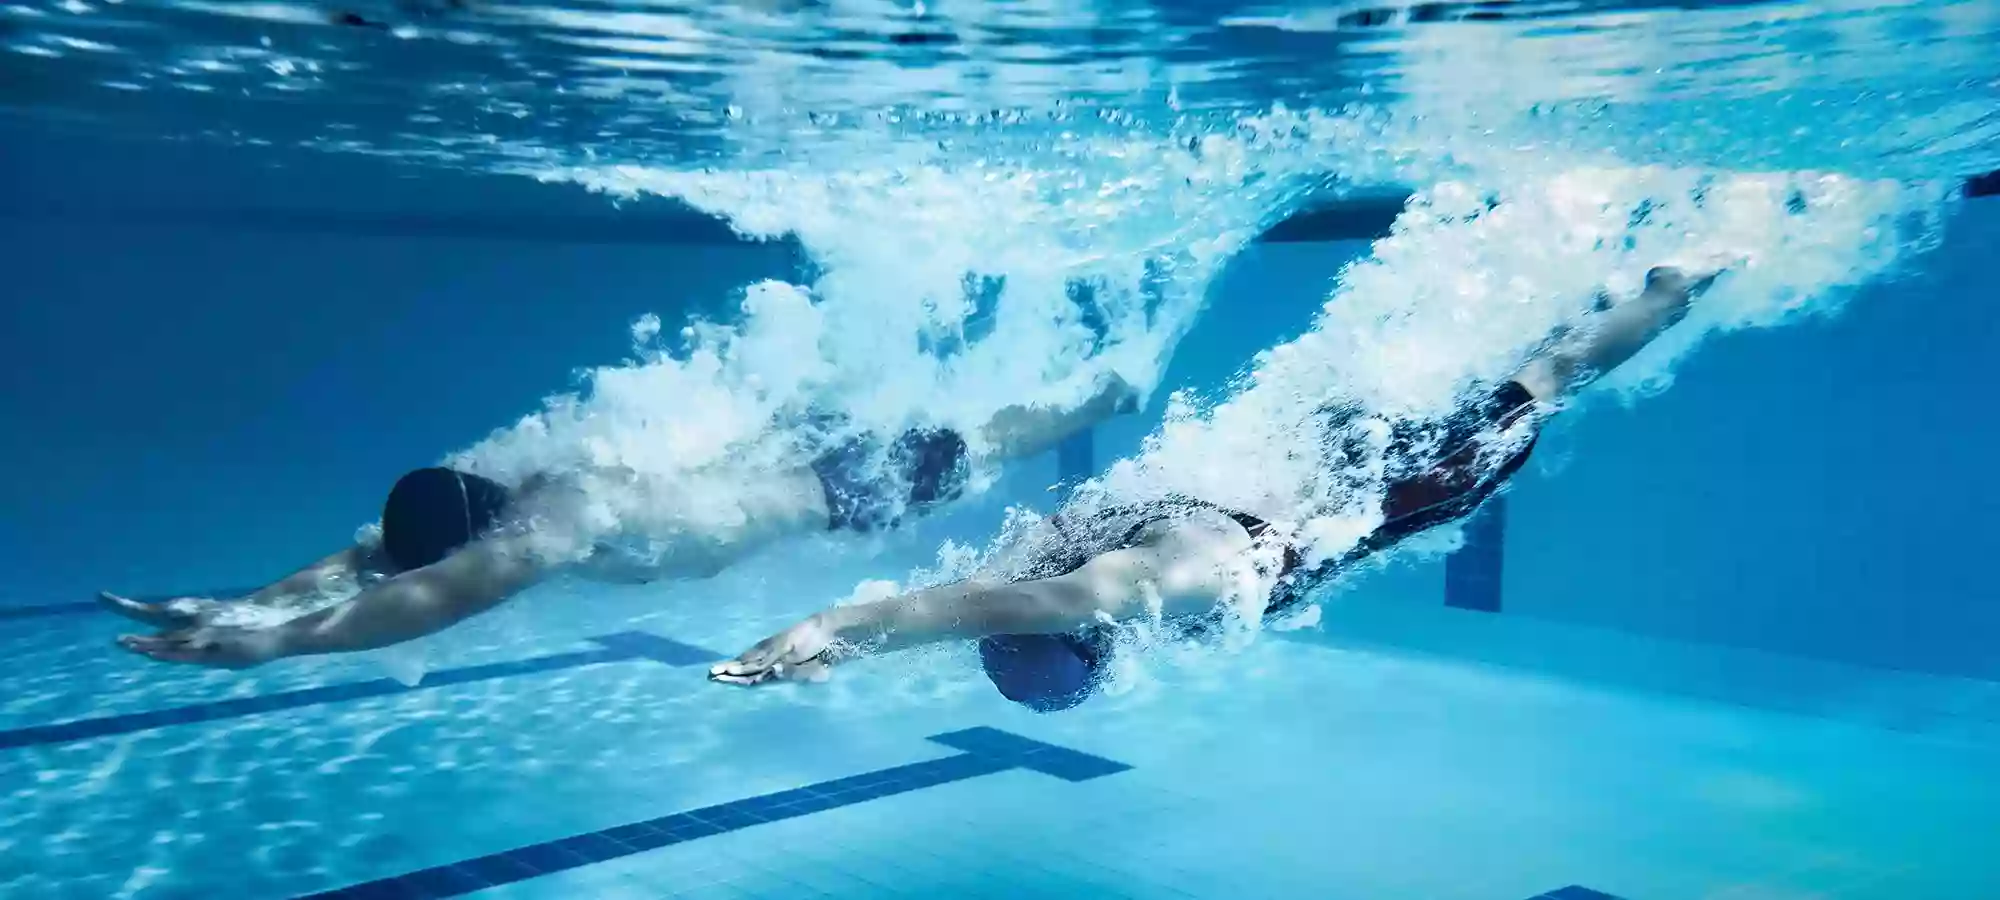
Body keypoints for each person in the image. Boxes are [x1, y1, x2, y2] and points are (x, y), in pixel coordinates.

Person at [710, 264, 1726, 710]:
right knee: (1521, 374)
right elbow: (1010, 602)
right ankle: (1648, 297)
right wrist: (844, 639)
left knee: (1526, 375)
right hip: (1369, 469)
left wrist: (838, 631)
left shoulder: (1127, 582)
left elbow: (1023, 600)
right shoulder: (1128, 569)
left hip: (1376, 477)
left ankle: (1649, 294)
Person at [104, 376, 1138, 669]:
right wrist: (236, 604)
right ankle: (1090, 385)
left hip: (839, 481)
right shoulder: (503, 484)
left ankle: (1109, 390)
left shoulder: (552, 524)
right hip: (797, 449)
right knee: (968, 414)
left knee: (1000, 433)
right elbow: (376, 555)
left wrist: (273, 647)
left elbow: (428, 598)